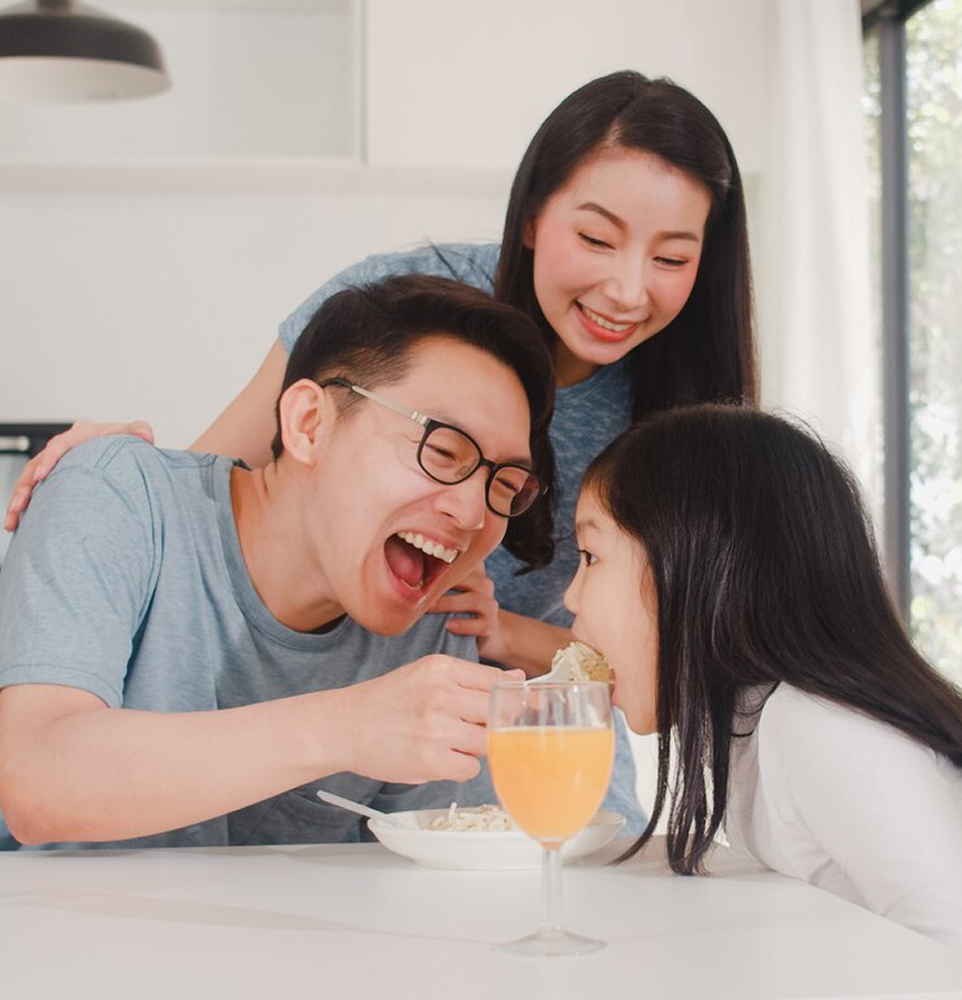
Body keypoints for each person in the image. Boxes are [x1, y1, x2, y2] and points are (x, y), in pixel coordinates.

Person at [3, 71, 757, 833]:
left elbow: (685, 664)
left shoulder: (683, 404)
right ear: (532, 216)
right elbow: (214, 512)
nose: (627, 291)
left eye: (670, 259)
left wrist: (500, 636)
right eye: (596, 238)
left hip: (505, 707)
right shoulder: (405, 309)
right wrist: (107, 484)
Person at [0, 274, 554, 850]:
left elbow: (423, 874)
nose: (471, 513)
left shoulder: (438, 618)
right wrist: (346, 727)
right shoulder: (116, 494)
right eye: (442, 451)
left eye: (505, 483)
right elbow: (36, 783)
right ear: (309, 424)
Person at [565, 404, 962, 964]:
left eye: (589, 556)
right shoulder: (746, 726)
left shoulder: (819, 726)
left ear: (700, 562)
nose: (570, 597)